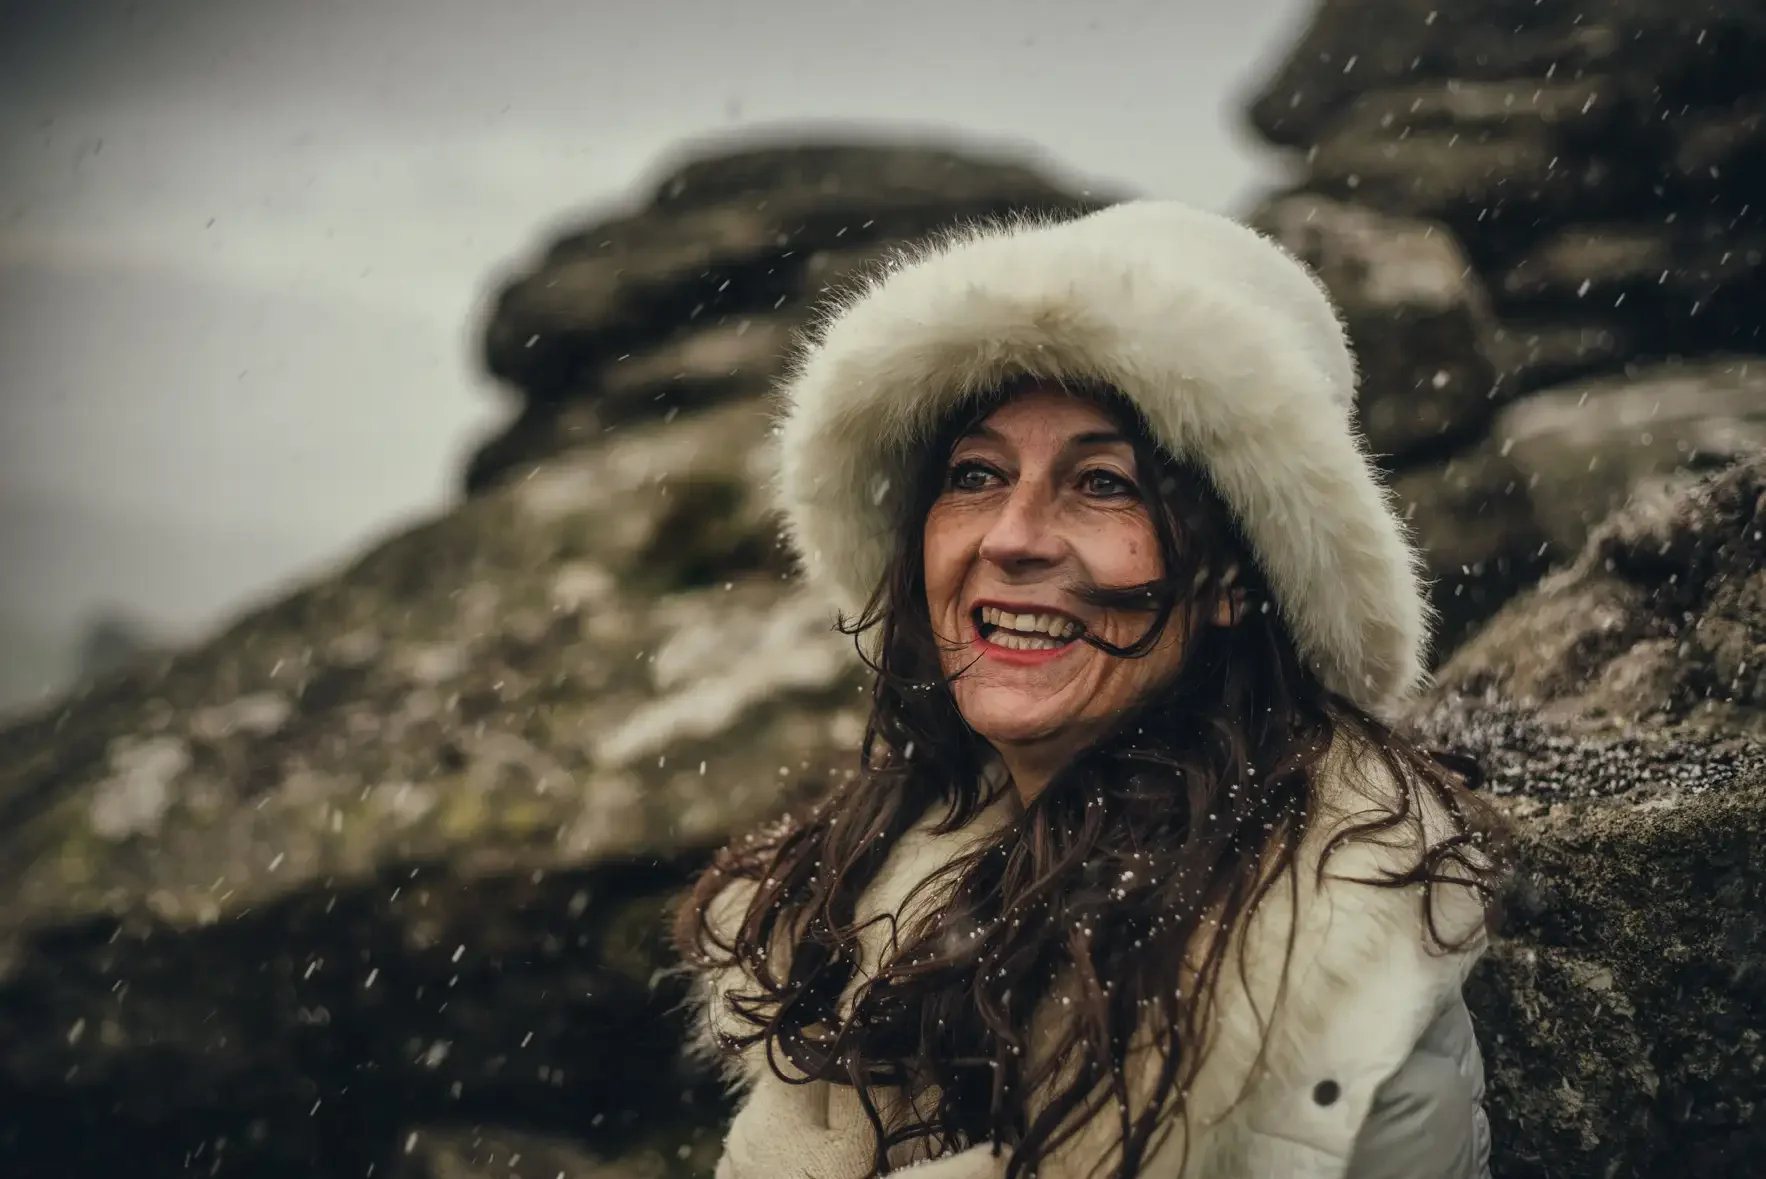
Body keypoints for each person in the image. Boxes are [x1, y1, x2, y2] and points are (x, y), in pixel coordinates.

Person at [673, 200, 1509, 1179]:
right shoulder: (852, 896)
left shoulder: (1324, 983)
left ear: (1237, 577)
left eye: (1103, 483)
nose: (1012, 536)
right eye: (976, 474)